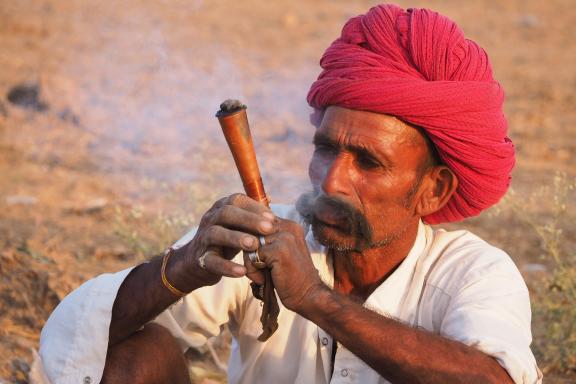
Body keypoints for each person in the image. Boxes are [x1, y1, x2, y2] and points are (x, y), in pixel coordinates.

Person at [37, 4, 542, 384]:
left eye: (368, 162)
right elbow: (79, 339)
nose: (330, 182)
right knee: (134, 355)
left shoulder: (472, 273)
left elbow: (495, 379)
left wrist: (313, 299)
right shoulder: (261, 237)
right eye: (326, 150)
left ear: (433, 190)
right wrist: (183, 266)